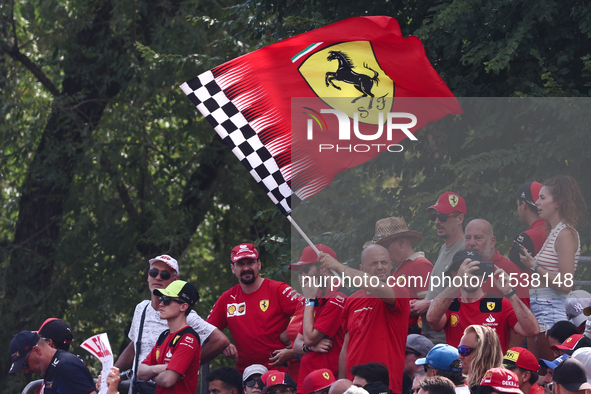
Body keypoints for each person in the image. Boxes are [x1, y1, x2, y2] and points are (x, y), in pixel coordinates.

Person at [116, 254, 228, 394]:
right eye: (153, 272)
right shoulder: (143, 310)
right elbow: (136, 347)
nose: (157, 277)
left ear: (175, 280)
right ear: (148, 276)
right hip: (137, 388)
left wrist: (183, 366)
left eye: (164, 274)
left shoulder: (188, 322)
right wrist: (113, 371)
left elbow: (220, 340)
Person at [319, 244, 410, 394]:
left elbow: (374, 286)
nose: (380, 267)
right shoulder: (352, 299)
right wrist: (343, 381)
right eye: (374, 263)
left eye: (384, 262)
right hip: (354, 385)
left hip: (385, 384)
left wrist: (340, 267)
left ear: (391, 265)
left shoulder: (399, 291)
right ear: (362, 268)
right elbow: (346, 346)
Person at [519, 176, 588, 360]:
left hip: (550, 312)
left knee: (550, 370)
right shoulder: (556, 231)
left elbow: (566, 284)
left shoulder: (565, 233)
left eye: (542, 198)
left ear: (557, 202)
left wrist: (533, 265)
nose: (536, 202)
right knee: (539, 370)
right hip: (542, 309)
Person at [207, 243, 303, 371]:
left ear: (259, 264)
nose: (246, 268)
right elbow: (206, 330)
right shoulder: (227, 298)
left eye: (250, 262)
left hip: (280, 371)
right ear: (232, 268)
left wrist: (291, 333)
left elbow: (309, 309)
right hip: (247, 376)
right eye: (240, 264)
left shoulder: (278, 289)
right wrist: (223, 344)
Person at [426, 250, 539, 352]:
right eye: (465, 271)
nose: (470, 276)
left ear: (483, 274)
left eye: (475, 270)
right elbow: (432, 319)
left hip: (491, 373)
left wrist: (510, 292)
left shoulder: (501, 304)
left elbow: (532, 331)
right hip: (459, 371)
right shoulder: (449, 305)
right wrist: (457, 281)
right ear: (454, 274)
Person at [291, 244, 348, 392]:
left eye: (305, 270)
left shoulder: (338, 297)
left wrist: (309, 299)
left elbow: (309, 337)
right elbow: (297, 343)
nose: (302, 277)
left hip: (326, 382)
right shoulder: (318, 297)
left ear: (323, 268)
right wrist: (310, 347)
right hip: (309, 378)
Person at [138, 280, 202, 394]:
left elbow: (168, 380)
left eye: (167, 300)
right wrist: (159, 368)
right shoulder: (164, 335)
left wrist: (150, 374)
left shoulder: (188, 339)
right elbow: (140, 372)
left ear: (183, 307)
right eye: (161, 299)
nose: (161, 304)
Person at [372, 217, 433, 333]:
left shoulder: (419, 265)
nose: (381, 253)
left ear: (400, 242)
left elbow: (432, 310)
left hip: (412, 341)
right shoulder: (395, 271)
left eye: (384, 248)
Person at [424, 192, 468, 345]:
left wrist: (426, 304)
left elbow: (466, 297)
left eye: (442, 217)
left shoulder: (464, 250)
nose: (436, 222)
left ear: (460, 218)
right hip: (432, 323)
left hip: (447, 327)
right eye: (434, 217)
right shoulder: (444, 248)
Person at [9, 330, 99, 394]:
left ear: (36, 350)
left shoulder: (65, 366)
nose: (26, 371)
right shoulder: (52, 368)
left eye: (25, 364)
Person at [508, 181, 548, 270]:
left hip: (530, 283)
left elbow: (507, 272)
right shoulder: (558, 230)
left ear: (523, 205)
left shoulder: (526, 238)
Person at [456, 325, 503, 393]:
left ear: (483, 353)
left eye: (464, 350)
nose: (459, 356)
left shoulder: (498, 388)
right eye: (459, 350)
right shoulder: (471, 384)